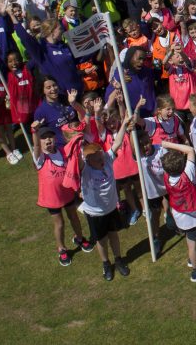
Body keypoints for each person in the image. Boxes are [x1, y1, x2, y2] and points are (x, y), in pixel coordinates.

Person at [75, 112, 134, 281]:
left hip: (111, 208)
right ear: (88, 161)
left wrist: (124, 124)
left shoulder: (107, 159)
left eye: (101, 156)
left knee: (114, 234)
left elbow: (116, 143)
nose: (102, 160)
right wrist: (77, 141)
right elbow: (77, 161)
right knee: (101, 240)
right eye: (97, 159)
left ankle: (119, 260)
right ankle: (106, 264)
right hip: (95, 213)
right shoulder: (85, 171)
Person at [159, 139, 196, 282]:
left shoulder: (166, 176)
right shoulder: (188, 174)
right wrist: (167, 144)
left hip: (180, 215)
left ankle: (195, 256)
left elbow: (187, 152)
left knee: (190, 240)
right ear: (183, 165)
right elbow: (190, 150)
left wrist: (166, 147)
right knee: (192, 243)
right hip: (192, 217)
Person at [30, 125, 90, 265]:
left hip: (67, 193)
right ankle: (62, 249)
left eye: (50, 136)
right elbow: (36, 147)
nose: (48, 140)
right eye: (43, 138)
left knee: (74, 217)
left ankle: (80, 238)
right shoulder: (40, 158)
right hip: (52, 198)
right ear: (39, 142)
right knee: (60, 223)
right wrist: (34, 132)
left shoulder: (63, 151)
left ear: (55, 138)